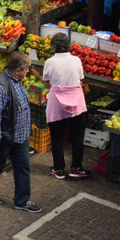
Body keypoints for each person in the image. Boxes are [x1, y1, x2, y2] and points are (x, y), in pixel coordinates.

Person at [0, 51, 41, 213]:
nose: (28, 71)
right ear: (18, 70)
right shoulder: (1, 87)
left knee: (23, 167)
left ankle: (22, 201)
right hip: (5, 136)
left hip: (20, 136)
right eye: (27, 69)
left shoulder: (16, 81)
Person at [42, 33, 91, 180]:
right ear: (69, 45)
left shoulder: (49, 62)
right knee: (77, 136)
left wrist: (58, 86)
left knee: (57, 137)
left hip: (56, 103)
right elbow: (81, 79)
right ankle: (76, 167)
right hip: (77, 103)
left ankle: (58, 169)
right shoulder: (76, 60)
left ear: (53, 47)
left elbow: (46, 84)